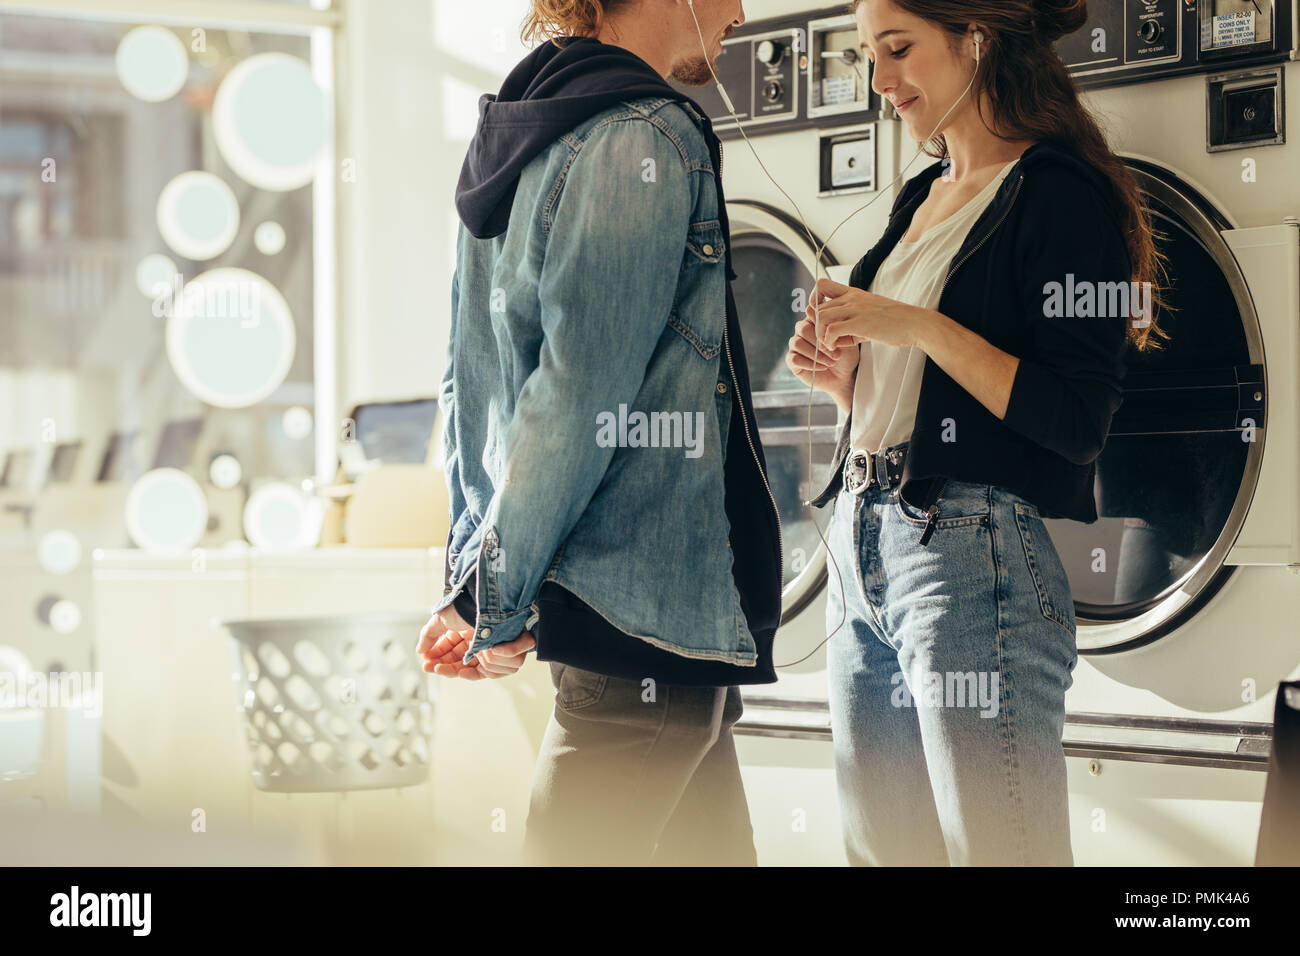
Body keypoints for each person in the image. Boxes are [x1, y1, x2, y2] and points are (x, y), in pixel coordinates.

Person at [785, 0, 1170, 865]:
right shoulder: (923, 193)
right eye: (867, 56)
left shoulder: (1059, 193)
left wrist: (911, 325)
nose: (881, 82)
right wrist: (850, 384)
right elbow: (933, 404)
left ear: (977, 40)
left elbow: (1075, 423)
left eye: (897, 50)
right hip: (860, 544)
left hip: (969, 556)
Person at [415, 0, 783, 866]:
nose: (738, 11)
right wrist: (491, 595)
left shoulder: (517, 128)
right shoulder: (645, 135)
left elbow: (472, 386)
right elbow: (576, 402)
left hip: (629, 616)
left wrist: (481, 573)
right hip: (647, 604)